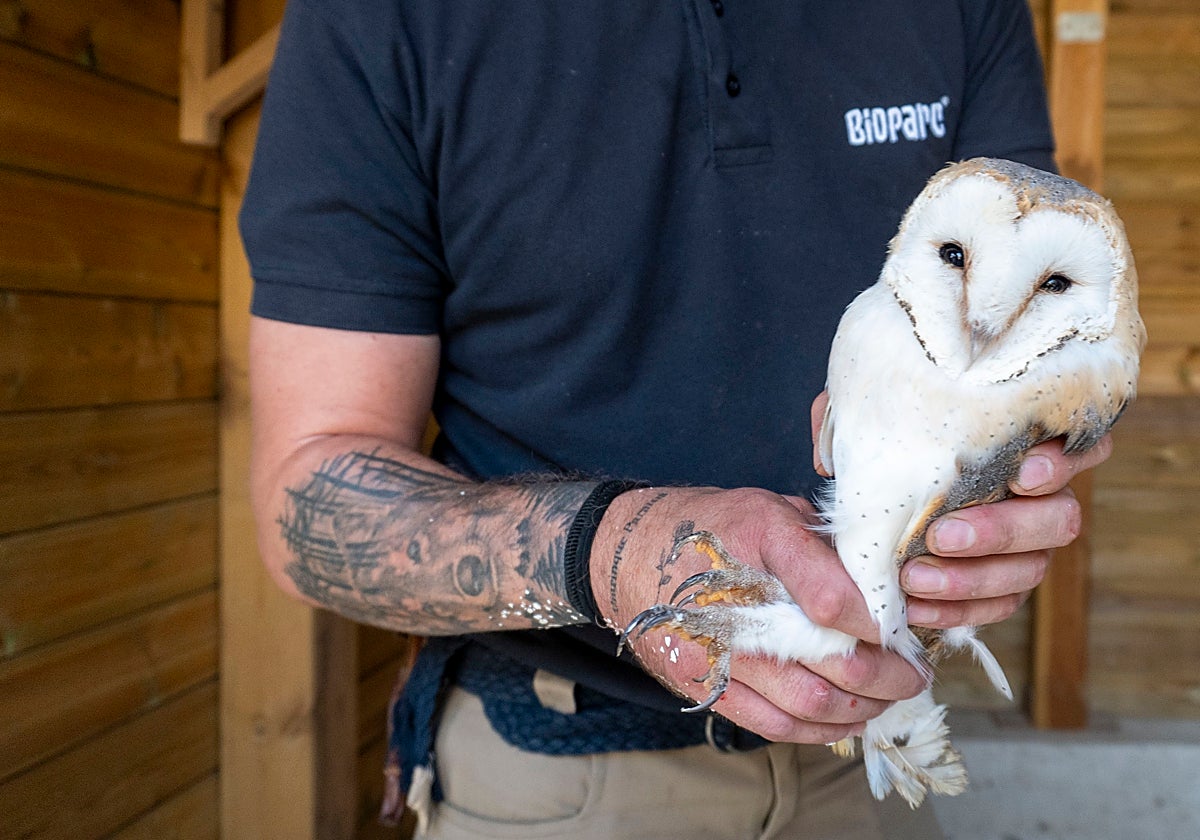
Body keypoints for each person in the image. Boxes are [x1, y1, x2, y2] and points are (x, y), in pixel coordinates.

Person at [240, 1, 1109, 837]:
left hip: (874, 744)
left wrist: (1011, 484)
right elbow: (309, 489)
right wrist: (616, 554)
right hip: (557, 763)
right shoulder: (385, 15)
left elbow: (1032, 299)